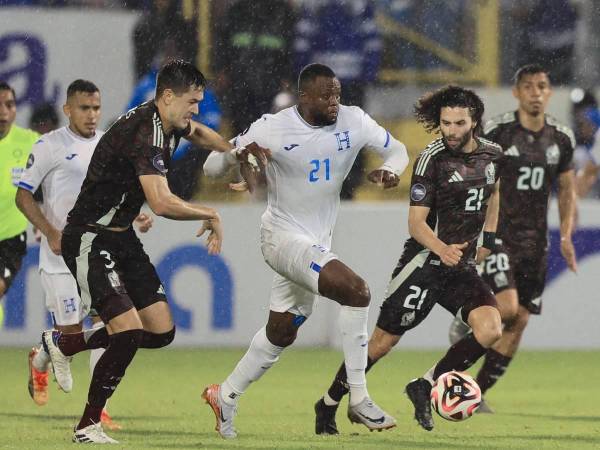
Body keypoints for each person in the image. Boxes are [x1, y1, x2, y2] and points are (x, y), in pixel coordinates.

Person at [201, 63, 409, 439]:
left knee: (281, 332)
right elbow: (211, 167)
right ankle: (359, 398)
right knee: (356, 290)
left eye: (338, 94)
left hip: (315, 242)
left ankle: (225, 394)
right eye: (326, 96)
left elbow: (399, 150)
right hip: (280, 237)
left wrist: (392, 171)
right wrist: (236, 155)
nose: (334, 102)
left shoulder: (354, 120)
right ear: (304, 97)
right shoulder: (272, 126)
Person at [38, 60, 242, 444]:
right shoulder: (144, 134)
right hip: (89, 236)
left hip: (121, 238)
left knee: (161, 330)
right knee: (128, 331)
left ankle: (65, 343)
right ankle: (87, 426)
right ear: (167, 97)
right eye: (192, 101)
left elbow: (196, 132)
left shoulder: (168, 120)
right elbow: (162, 203)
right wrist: (210, 212)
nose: (196, 108)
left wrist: (232, 150)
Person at [315, 85, 503, 433]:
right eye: (445, 123)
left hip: (460, 267)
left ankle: (426, 384)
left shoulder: (493, 154)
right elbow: (416, 224)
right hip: (424, 266)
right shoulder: (432, 159)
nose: (451, 131)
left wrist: (488, 240)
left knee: (491, 329)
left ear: (474, 121)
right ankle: (327, 404)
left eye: (459, 123)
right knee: (382, 344)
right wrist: (441, 249)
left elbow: (493, 195)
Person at [16, 79, 150, 430]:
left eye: (96, 108)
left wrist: (136, 213)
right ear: (68, 110)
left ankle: (99, 407)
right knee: (72, 337)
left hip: (95, 252)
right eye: (84, 108)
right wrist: (50, 232)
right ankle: (41, 357)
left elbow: (116, 192)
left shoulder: (109, 143)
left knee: (109, 325)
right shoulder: (49, 145)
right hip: (58, 255)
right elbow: (24, 196)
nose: (91, 115)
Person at [448, 64, 577, 413]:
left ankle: (475, 392)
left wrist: (565, 235)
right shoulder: (499, 132)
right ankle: (465, 318)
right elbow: (478, 180)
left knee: (519, 319)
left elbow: (566, 190)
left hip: (536, 243)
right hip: (499, 235)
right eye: (528, 87)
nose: (536, 93)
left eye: (542, 86)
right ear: (516, 92)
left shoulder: (561, 138)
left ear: (549, 92)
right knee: (504, 307)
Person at [0, 81, 39, 303]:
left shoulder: (30, 142)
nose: (3, 112)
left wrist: (43, 219)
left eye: (9, 104)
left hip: (9, 240)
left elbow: (52, 181)